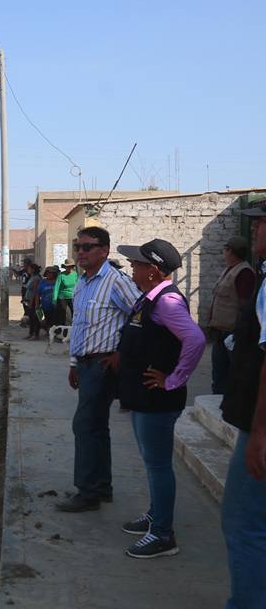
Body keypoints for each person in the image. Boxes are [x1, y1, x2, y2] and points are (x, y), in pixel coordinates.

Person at [115, 239, 204, 558]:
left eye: (137, 264)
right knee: (153, 463)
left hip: (158, 400)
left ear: (152, 271)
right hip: (144, 397)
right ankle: (156, 515)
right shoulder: (149, 298)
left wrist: (174, 379)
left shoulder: (167, 302)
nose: (131, 267)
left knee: (158, 466)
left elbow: (195, 339)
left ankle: (163, 535)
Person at [56, 226, 140, 512]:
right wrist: (73, 364)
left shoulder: (116, 282)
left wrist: (121, 353)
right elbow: (80, 326)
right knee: (96, 427)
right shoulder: (83, 282)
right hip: (85, 363)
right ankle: (101, 487)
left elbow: (142, 316)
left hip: (103, 365)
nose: (80, 252)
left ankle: (88, 493)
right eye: (77, 247)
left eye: (87, 247)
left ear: (104, 250)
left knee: (85, 426)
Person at [221, 207, 266, 608]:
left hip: (261, 426)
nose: (254, 226)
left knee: (244, 524)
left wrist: (260, 433)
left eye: (262, 221)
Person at [208, 236, 255, 395]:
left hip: (232, 335)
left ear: (230, 251)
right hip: (221, 333)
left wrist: (238, 333)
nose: (223, 253)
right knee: (219, 376)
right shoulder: (230, 269)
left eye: (225, 249)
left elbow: (244, 305)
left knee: (233, 376)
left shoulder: (244, 272)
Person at [54, 258, 78, 326]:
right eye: (67, 266)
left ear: (73, 266)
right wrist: (54, 299)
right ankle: (62, 329)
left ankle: (74, 328)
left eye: (70, 266)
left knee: (74, 313)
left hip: (73, 296)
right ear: (65, 267)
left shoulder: (75, 274)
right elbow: (56, 287)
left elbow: (78, 286)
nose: (69, 268)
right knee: (62, 314)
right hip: (62, 297)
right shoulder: (61, 275)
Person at [24, 263, 43, 341]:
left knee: (35, 318)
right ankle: (31, 333)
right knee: (31, 318)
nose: (28, 270)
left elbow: (35, 292)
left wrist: (32, 303)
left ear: (33, 269)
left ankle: (36, 335)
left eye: (29, 268)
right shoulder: (32, 277)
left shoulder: (36, 278)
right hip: (29, 300)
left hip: (34, 301)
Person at [38, 266, 60, 330]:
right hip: (45, 305)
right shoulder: (42, 282)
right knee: (46, 320)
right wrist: (37, 304)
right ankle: (48, 332)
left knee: (55, 321)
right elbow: (38, 293)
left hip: (55, 306)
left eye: (51, 273)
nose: (49, 274)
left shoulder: (58, 281)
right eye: (48, 273)